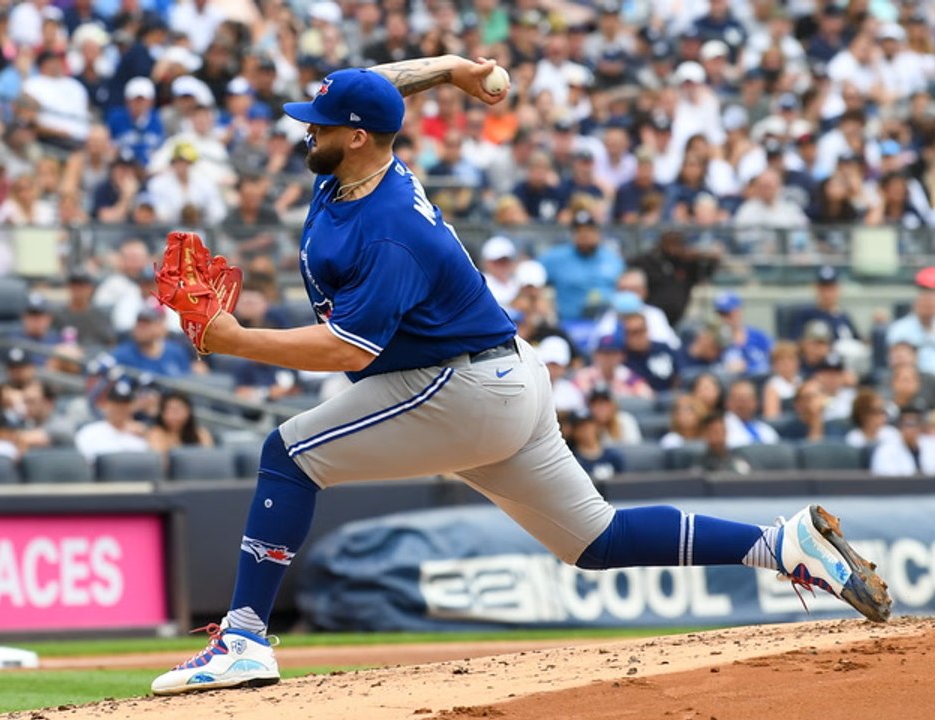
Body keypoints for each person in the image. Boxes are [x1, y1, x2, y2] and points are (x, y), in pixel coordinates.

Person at [147, 58, 890, 696]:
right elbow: (379, 85)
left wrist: (234, 339)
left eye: (320, 122)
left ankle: (244, 639)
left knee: (288, 454)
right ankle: (781, 544)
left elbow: (350, 352)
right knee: (594, 540)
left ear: (358, 135)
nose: (306, 129)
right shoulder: (355, 170)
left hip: (459, 387)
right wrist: (451, 70)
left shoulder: (389, 228)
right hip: (503, 377)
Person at [538, 210, 625, 324]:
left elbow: (625, 288)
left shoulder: (612, 258)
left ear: (598, 233)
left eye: (589, 230)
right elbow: (531, 273)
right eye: (579, 231)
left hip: (607, 324)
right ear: (573, 235)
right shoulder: (556, 258)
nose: (584, 235)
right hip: (570, 323)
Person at [74, 380, 150, 462]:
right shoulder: (89, 432)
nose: (120, 408)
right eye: (116, 404)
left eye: (125, 404)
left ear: (132, 406)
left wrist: (147, 434)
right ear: (106, 405)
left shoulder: (141, 434)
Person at [788, 266, 861, 343]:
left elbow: (858, 340)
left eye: (831, 288)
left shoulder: (844, 316)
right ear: (816, 289)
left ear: (838, 289)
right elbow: (793, 344)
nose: (827, 294)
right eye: (823, 289)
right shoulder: (805, 315)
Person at [886, 268, 935, 375]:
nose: (929, 308)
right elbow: (896, 361)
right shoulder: (900, 328)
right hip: (914, 379)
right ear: (916, 305)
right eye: (925, 304)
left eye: (931, 305)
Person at [714, 292, 773, 377]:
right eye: (721, 314)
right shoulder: (716, 341)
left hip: (760, 381)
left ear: (739, 311)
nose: (725, 318)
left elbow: (775, 357)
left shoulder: (758, 336)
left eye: (728, 314)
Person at [870, 405, 935, 477]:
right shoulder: (885, 451)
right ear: (900, 426)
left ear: (920, 426)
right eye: (907, 424)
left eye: (914, 424)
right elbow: (886, 482)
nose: (910, 429)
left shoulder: (931, 445)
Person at [562, 408, 625, 482]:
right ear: (573, 431)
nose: (586, 429)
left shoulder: (614, 456)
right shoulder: (571, 460)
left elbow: (625, 484)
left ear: (596, 426)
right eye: (580, 427)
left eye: (589, 425)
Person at [146, 390, 214, 453]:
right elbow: (160, 460)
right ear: (162, 413)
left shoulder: (201, 433)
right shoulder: (155, 433)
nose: (174, 415)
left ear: (188, 411)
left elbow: (207, 458)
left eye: (178, 410)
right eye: (169, 410)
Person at [724, 379, 780, 447]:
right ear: (728, 402)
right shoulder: (721, 428)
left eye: (747, 399)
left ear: (756, 402)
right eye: (739, 399)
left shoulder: (766, 429)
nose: (743, 404)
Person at [762, 341, 802, 420]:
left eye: (790, 358)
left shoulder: (801, 381)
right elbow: (771, 417)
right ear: (774, 365)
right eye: (781, 359)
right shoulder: (773, 386)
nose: (786, 363)